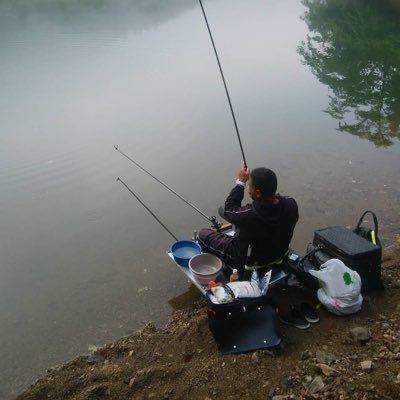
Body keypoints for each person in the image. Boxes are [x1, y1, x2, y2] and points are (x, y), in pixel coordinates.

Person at [197, 164, 298, 280]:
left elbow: (229, 209)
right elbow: (277, 199)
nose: (248, 190)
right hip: (278, 256)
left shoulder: (249, 215)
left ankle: (223, 267)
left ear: (258, 193)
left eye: (249, 186)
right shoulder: (291, 205)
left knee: (202, 235)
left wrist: (240, 183)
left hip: (246, 261)